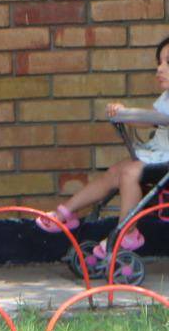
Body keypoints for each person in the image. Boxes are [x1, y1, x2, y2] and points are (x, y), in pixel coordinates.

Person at [38, 36, 169, 257]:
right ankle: (66, 212)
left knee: (129, 173)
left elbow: (155, 119)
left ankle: (127, 232)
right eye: (159, 62)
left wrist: (130, 114)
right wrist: (125, 113)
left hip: (164, 159)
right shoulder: (165, 98)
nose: (160, 68)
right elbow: (152, 119)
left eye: (168, 63)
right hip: (158, 154)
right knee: (114, 172)